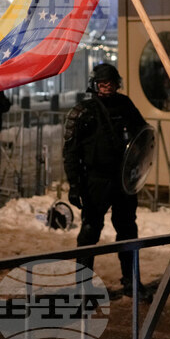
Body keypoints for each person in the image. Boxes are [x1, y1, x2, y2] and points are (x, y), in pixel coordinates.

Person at [63, 63, 150, 299]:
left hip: (123, 180)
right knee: (90, 232)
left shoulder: (126, 105)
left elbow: (142, 136)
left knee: (127, 229)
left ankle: (131, 280)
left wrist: (137, 170)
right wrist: (74, 185)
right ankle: (82, 287)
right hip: (95, 180)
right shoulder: (84, 111)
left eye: (110, 83)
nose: (107, 87)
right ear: (94, 84)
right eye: (103, 83)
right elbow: (71, 152)